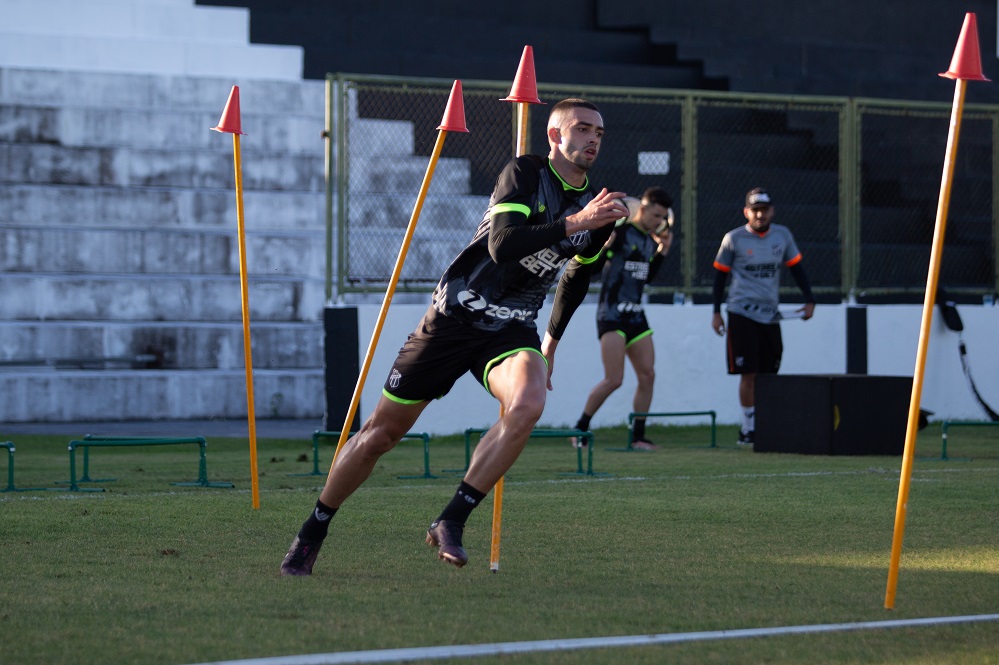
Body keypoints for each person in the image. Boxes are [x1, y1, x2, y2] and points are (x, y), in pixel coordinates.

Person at [280, 99, 630, 575]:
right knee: (379, 436)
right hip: (454, 317)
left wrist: (550, 342)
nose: (593, 139)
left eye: (600, 133)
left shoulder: (598, 207)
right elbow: (502, 246)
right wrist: (574, 223)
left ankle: (451, 519)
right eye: (583, 129)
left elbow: (578, 275)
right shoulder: (525, 173)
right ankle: (312, 532)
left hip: (509, 328)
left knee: (528, 403)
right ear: (555, 136)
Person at [570, 187, 674, 451]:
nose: (658, 221)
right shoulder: (620, 234)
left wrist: (662, 253)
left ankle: (638, 436)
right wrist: (604, 246)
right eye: (655, 215)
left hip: (636, 316)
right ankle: (580, 428)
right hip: (612, 314)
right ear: (644, 207)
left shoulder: (652, 240)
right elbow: (591, 271)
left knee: (648, 375)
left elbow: (646, 278)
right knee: (614, 379)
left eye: (662, 218)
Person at [710, 188, 815, 447]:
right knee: (749, 373)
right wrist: (715, 312)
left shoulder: (782, 235)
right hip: (741, 313)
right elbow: (719, 276)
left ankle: (767, 425)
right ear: (746, 212)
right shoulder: (733, 238)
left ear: (772, 211)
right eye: (755, 210)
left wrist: (810, 299)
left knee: (770, 373)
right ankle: (748, 429)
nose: (760, 214)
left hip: (770, 315)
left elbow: (797, 268)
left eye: (764, 210)